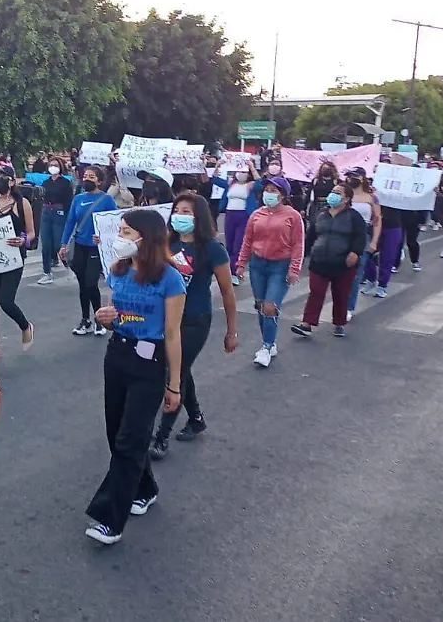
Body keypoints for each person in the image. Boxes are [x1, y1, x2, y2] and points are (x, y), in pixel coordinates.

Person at [86, 208, 185, 545]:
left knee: (130, 439)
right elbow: (120, 317)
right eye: (121, 230)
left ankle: (110, 518)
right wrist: (107, 318)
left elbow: (172, 334)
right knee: (118, 434)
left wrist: (174, 385)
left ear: (148, 237)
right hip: (118, 355)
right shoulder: (118, 270)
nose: (121, 237)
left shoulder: (170, 278)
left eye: (128, 232)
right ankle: (145, 487)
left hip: (150, 362)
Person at [149, 194, 238, 460]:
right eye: (177, 210)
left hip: (195, 319)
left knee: (175, 371)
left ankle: (162, 436)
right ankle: (196, 417)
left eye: (186, 211)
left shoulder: (212, 248)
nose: (180, 215)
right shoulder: (168, 242)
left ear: (198, 217)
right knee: (180, 370)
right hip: (167, 316)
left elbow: (226, 291)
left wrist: (231, 330)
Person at [235, 176, 304, 368]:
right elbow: (247, 240)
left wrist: (294, 268)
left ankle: (266, 346)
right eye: (268, 190)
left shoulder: (293, 216)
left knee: (270, 306)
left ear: (283, 195)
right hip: (258, 264)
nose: (269, 194)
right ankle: (269, 341)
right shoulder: (257, 214)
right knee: (260, 305)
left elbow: (298, 244)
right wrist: (241, 263)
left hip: (280, 265)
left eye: (274, 191)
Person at [291, 182, 366, 339]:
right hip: (319, 260)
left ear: (346, 199)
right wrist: (301, 255)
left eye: (338, 193)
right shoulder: (322, 214)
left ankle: (339, 323)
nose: (333, 195)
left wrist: (355, 253)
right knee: (316, 292)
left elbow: (360, 236)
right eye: (333, 191)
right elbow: (311, 235)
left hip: (343, 262)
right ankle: (307, 324)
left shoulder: (354, 216)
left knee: (340, 294)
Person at [0, 172, 35, 354]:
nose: (1, 182)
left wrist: (23, 240)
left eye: (4, 178)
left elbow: (31, 233)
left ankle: (25, 325)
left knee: (6, 300)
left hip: (13, 257)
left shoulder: (22, 204)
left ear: (12, 182)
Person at [61, 166, 117, 336]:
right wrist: (63, 244)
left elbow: (114, 224)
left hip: (95, 248)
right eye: (85, 176)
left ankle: (99, 319)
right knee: (82, 285)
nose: (87, 179)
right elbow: (70, 221)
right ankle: (85, 320)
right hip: (79, 246)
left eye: (91, 177)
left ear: (99, 181)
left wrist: (103, 237)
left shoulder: (107, 200)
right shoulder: (78, 199)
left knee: (91, 283)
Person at [217, 160, 261, 285]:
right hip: (230, 215)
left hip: (243, 216)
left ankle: (234, 272)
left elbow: (260, 183)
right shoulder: (231, 183)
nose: (240, 174)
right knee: (229, 245)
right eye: (238, 171)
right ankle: (229, 270)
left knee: (238, 245)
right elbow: (215, 180)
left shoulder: (251, 185)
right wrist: (218, 166)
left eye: (243, 171)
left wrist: (252, 166)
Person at [345, 168, 381, 319]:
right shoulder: (343, 195)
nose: (350, 179)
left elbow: (377, 221)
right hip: (343, 234)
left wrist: (374, 242)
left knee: (355, 274)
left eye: (354, 176)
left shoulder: (372, 198)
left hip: (362, 238)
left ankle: (348, 308)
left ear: (363, 178)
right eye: (349, 176)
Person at [37, 158, 74, 285]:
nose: (53, 167)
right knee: (46, 245)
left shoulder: (65, 183)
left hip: (59, 213)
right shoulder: (45, 182)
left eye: (56, 165)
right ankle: (46, 273)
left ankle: (70, 267)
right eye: (51, 165)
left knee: (59, 245)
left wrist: (68, 217)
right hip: (46, 213)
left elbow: (69, 201)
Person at [361, 199, 402, 299]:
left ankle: (382, 285)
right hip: (372, 225)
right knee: (367, 254)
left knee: (388, 256)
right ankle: (370, 279)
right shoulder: (371, 192)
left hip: (392, 225)